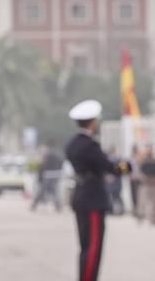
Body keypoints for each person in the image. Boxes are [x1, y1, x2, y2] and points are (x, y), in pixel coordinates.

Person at [64, 100, 130, 281]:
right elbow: (111, 167)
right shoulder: (90, 145)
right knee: (93, 248)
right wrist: (127, 166)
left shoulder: (71, 144)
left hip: (80, 196)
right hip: (93, 199)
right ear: (93, 122)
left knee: (85, 247)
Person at [31, 141, 63, 212]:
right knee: (54, 191)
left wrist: (40, 175)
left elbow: (43, 165)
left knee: (42, 190)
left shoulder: (47, 155)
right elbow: (61, 164)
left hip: (48, 174)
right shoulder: (58, 154)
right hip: (56, 174)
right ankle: (58, 206)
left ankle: (34, 204)